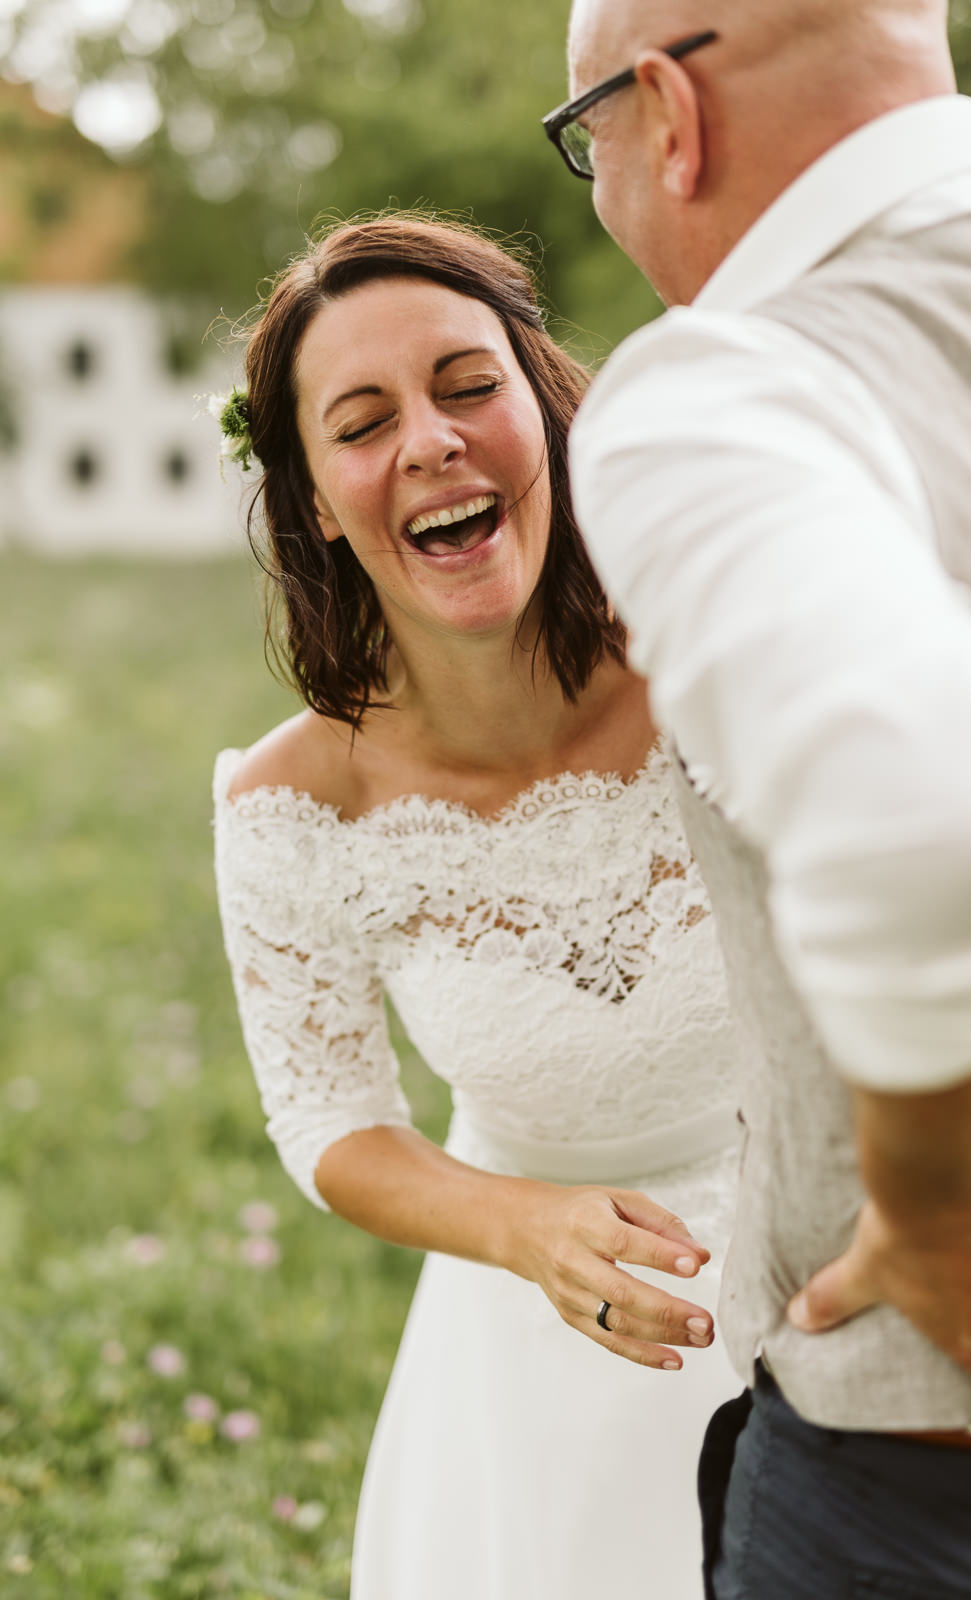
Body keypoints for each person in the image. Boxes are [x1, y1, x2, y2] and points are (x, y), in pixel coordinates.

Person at [211, 214, 742, 1599]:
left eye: (466, 386)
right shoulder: (292, 805)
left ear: (542, 411)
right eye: (364, 421)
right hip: (537, 1380)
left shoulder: (719, 649)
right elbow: (328, 1120)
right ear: (318, 498)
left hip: (853, 1269)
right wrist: (526, 1227)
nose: (433, 444)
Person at [544, 2, 971, 1595]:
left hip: (921, 1475)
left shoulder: (726, 386)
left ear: (666, 111)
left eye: (585, 144)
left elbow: (919, 806)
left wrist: (931, 1204)